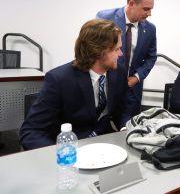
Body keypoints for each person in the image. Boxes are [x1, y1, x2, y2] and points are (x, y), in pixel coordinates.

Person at [20, 19, 128, 150]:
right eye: (117, 49)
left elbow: (122, 109)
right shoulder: (59, 79)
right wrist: (61, 154)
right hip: (72, 146)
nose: (121, 53)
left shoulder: (118, 72)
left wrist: (125, 128)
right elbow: (31, 131)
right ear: (99, 52)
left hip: (105, 142)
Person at [96, 0, 156, 126]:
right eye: (146, 9)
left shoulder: (150, 28)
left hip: (131, 89)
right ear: (131, 3)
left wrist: (137, 77)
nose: (149, 14)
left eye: (151, 9)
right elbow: (95, 49)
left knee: (128, 129)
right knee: (101, 126)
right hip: (107, 86)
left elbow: (151, 57)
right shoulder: (105, 18)